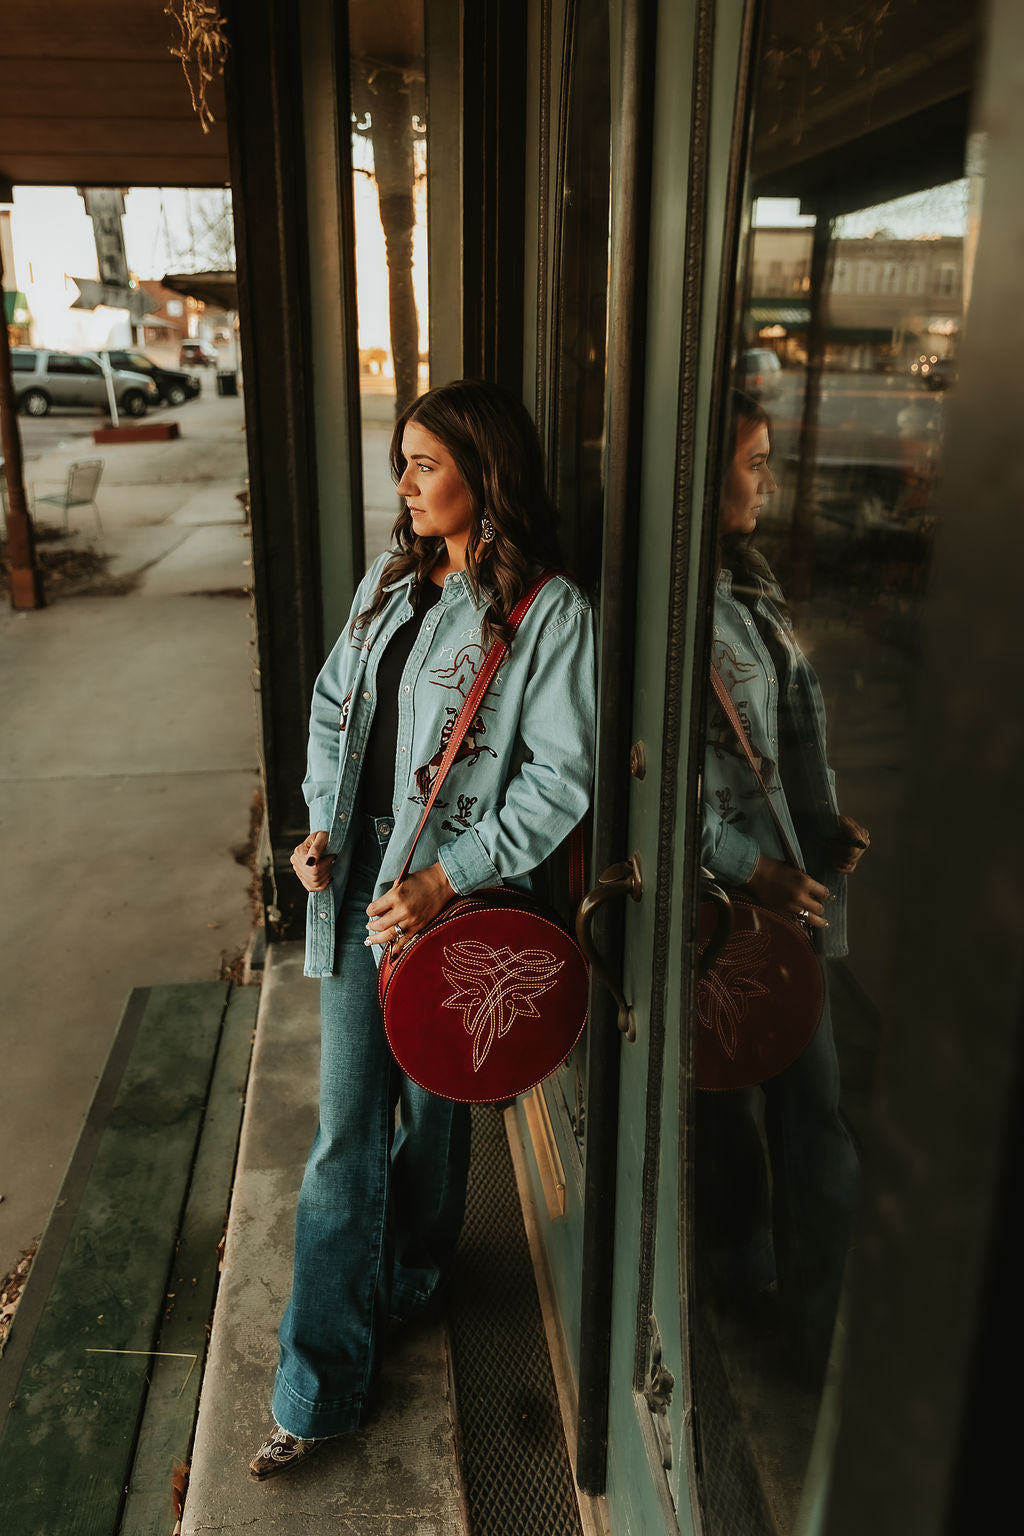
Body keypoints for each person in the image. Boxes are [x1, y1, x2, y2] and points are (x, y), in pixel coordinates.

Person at [249, 379, 596, 1480]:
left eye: (422, 466)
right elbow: (329, 704)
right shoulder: (389, 579)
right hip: (360, 892)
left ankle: (405, 1280)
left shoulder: (549, 617)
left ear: (483, 478)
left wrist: (453, 877)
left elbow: (561, 779)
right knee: (347, 1134)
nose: (400, 486)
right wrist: (316, 824)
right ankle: (318, 1389)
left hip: (446, 906)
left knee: (437, 1120)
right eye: (401, 463)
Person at [698, 390, 869, 1383]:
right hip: (735, 910)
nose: (767, 479)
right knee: (759, 1110)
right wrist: (754, 868)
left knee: (807, 1114)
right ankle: (765, 1300)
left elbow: (779, 744)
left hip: (790, 899)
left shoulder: (749, 585)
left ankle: (805, 1324)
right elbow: (649, 781)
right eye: (754, 461)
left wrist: (820, 828)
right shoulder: (672, 610)